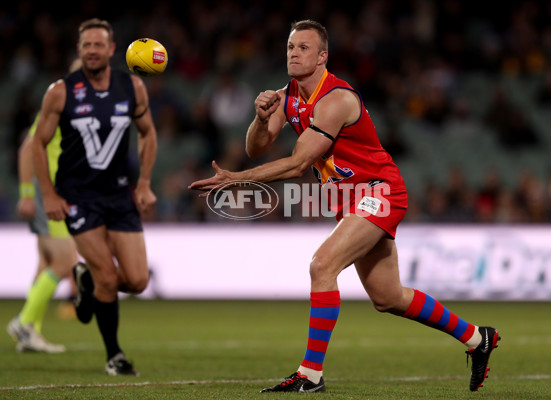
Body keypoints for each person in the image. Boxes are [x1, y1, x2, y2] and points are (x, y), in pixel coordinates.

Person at [189, 20, 500, 393]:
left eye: (303, 47)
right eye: (290, 46)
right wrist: (259, 118)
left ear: (322, 57)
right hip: (348, 200)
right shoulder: (284, 95)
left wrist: (236, 178)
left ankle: (310, 375)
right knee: (388, 297)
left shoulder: (336, 99)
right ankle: (476, 338)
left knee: (322, 265)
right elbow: (256, 146)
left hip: (380, 192)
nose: (293, 53)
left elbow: (298, 164)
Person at [31, 18, 158, 375]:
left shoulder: (132, 87)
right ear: (79, 50)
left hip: (119, 195)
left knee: (136, 281)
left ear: (111, 49)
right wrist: (48, 194)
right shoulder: (61, 90)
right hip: (78, 197)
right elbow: (37, 144)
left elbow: (148, 133)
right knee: (106, 274)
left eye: (98, 44)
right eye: (86, 45)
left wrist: (145, 182)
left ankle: (85, 285)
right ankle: (114, 355)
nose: (92, 50)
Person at [7, 81, 81, 352]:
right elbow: (27, 149)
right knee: (65, 262)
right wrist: (27, 193)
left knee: (46, 263)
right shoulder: (61, 105)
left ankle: (31, 333)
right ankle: (24, 322)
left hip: (58, 190)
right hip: (48, 191)